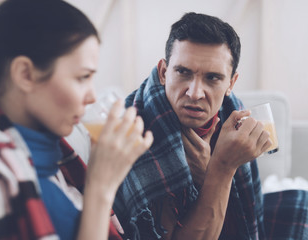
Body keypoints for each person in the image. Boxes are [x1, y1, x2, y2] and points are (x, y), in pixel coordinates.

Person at [0, 0, 153, 239]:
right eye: (82, 77)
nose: (92, 96)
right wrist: (100, 189)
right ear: (25, 74)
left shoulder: (53, 159)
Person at [113, 12, 308, 239]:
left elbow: (244, 212)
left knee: (301, 207)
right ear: (164, 72)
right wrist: (222, 167)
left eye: (213, 78)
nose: (195, 93)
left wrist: (207, 175)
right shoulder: (135, 129)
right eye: (183, 72)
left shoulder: (231, 114)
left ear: (230, 83)